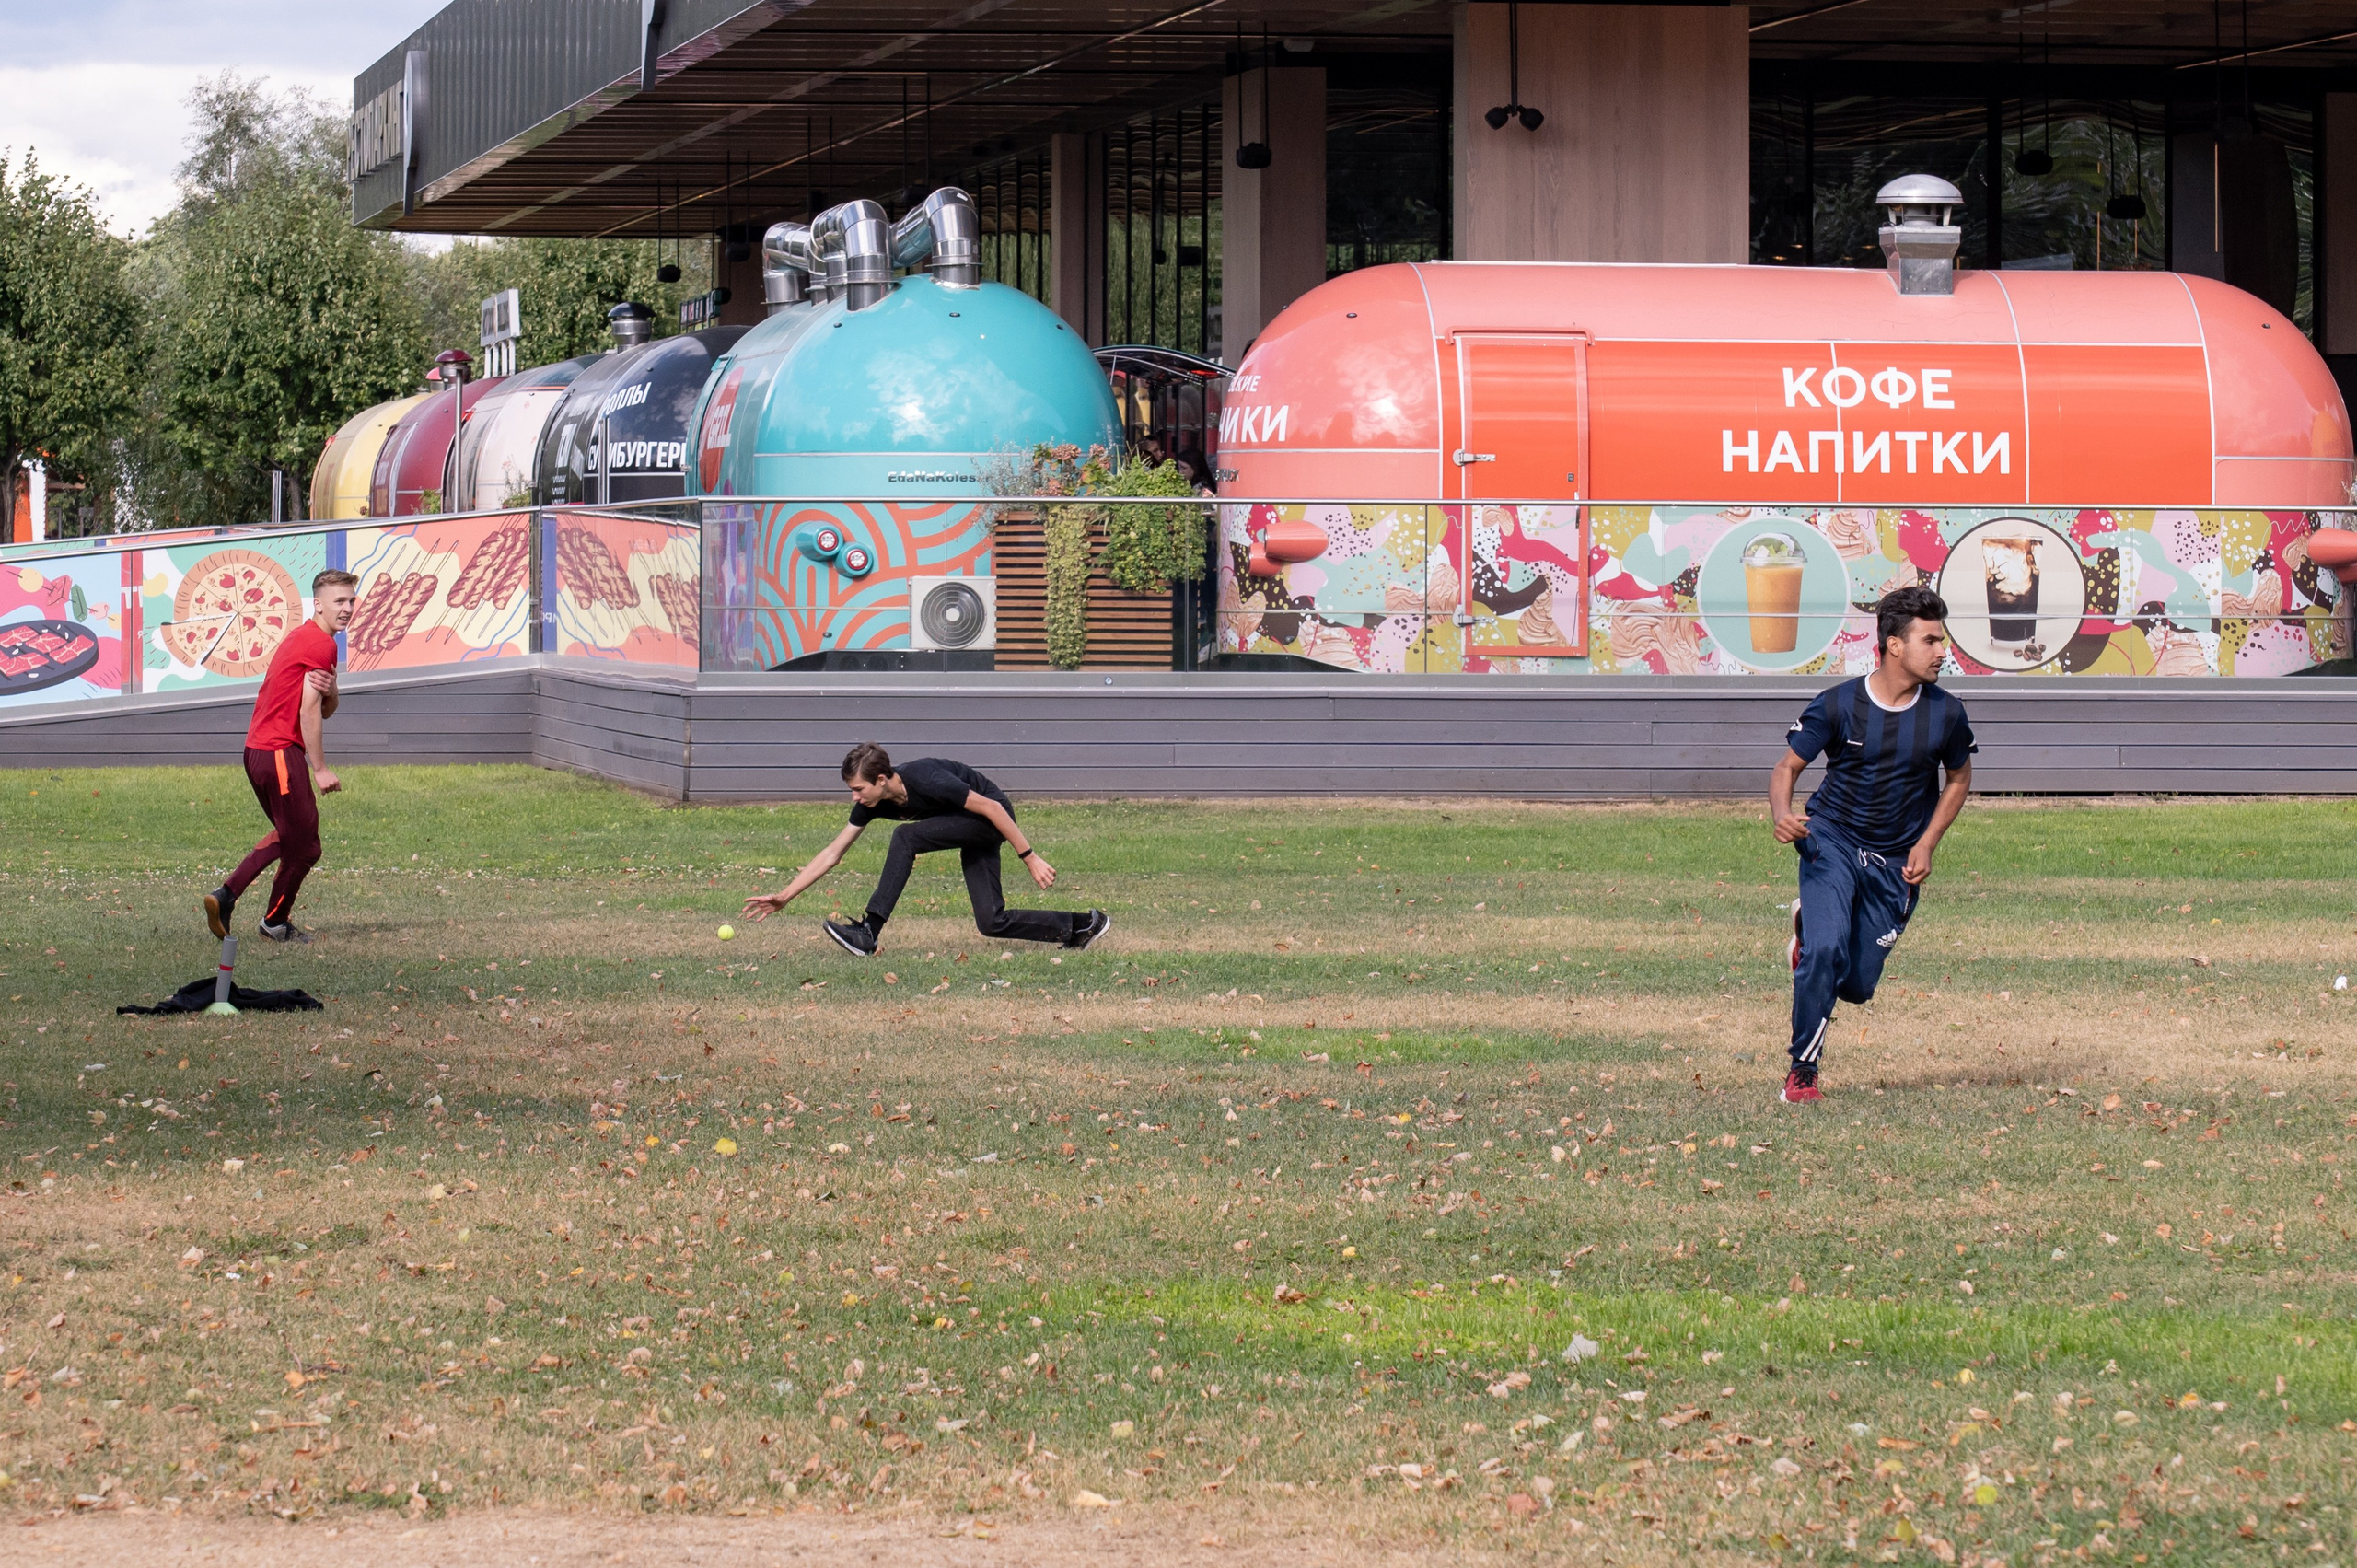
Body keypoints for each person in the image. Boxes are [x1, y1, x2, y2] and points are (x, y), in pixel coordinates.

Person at [1767, 585, 1975, 1105]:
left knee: (1857, 985)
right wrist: (1782, 814)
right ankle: (1802, 1073)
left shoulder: (1946, 714)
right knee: (1827, 950)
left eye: (1941, 639)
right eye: (1929, 640)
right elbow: (1786, 768)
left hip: (1897, 860)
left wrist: (1927, 843)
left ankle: (1804, 941)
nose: (1941, 650)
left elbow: (1959, 778)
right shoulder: (1838, 705)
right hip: (1831, 839)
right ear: (1894, 645)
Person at [742, 742, 1109, 957]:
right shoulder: (873, 802)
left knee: (906, 836)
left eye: (858, 789)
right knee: (990, 922)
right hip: (965, 826)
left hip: (990, 817)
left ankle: (869, 931)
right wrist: (785, 896)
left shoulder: (926, 776)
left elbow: (993, 808)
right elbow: (833, 852)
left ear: (881, 779)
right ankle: (1080, 926)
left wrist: (1029, 857)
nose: (854, 797)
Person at [202, 570, 358, 946]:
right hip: (278, 753)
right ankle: (267, 917)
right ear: (318, 604)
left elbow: (325, 706)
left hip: (257, 751)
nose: (348, 608)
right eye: (340, 601)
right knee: (306, 846)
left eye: (352, 600)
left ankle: (231, 900)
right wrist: (319, 768)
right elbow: (309, 712)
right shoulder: (320, 644)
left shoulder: (305, 638)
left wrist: (334, 689)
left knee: (293, 839)